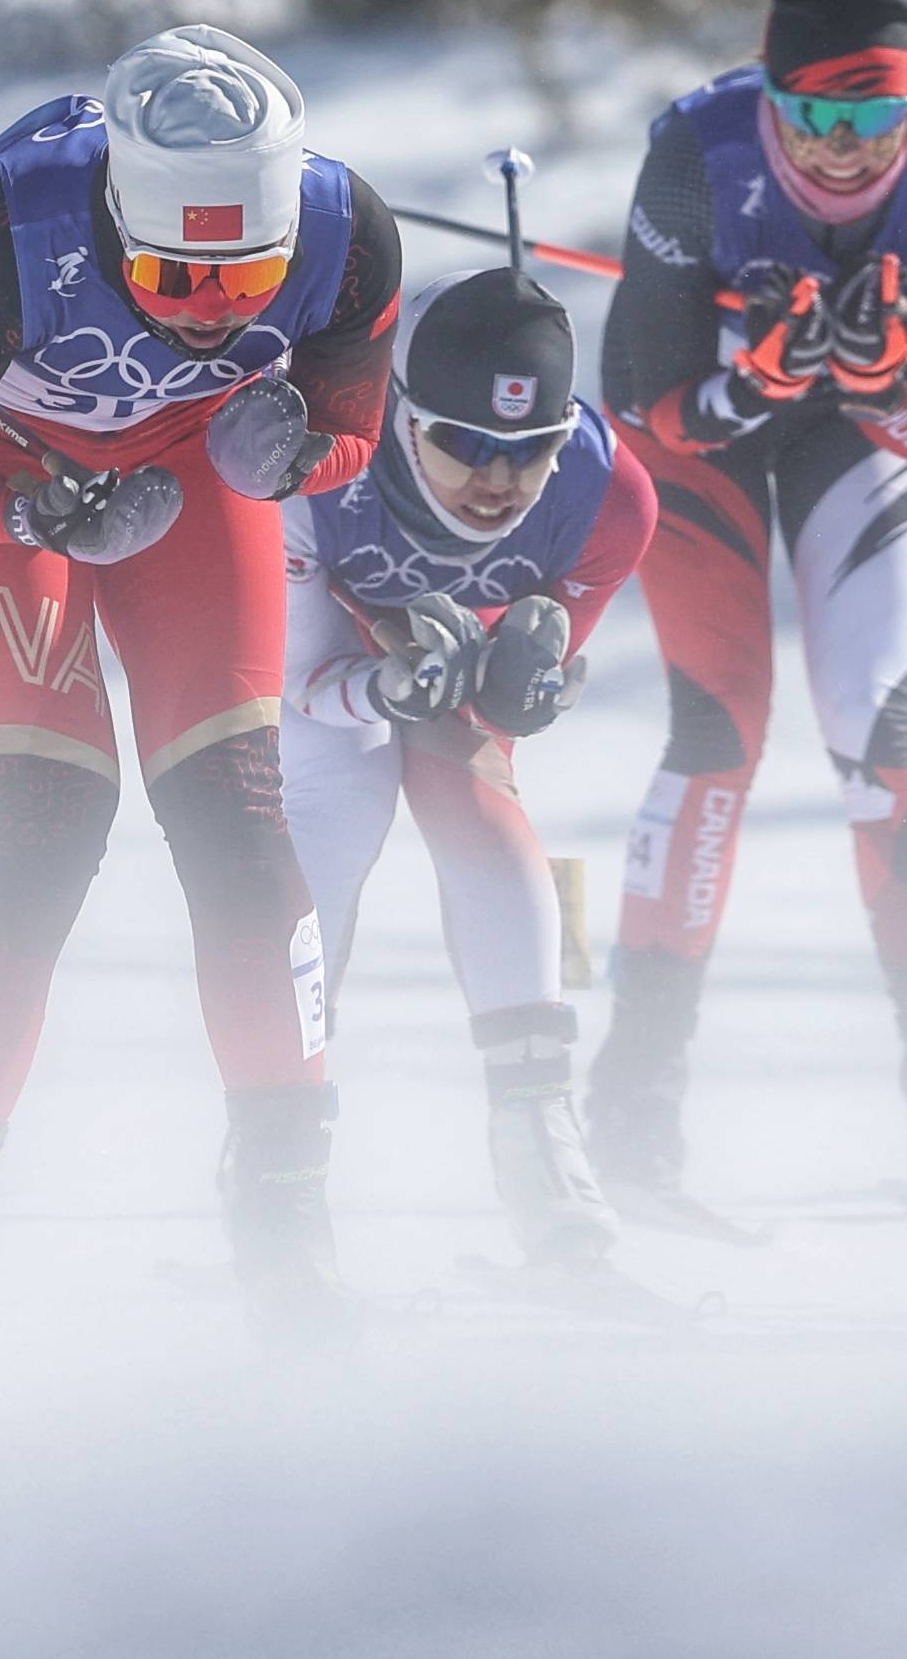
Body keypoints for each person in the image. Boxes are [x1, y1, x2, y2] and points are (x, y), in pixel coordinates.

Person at [0, 24, 403, 1333]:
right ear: (111, 216)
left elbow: (351, 429)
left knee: (235, 816)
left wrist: (295, 453)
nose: (207, 311)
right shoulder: (10, 221)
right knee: (49, 827)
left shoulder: (346, 233)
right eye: (168, 272)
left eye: (242, 279)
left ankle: (285, 1206)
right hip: (0, 475)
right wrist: (39, 517)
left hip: (194, 477)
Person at [582, 0, 907, 1226]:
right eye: (818, 117)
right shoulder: (698, 154)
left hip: (858, 437)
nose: (845, 150)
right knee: (718, 730)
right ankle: (638, 1094)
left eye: (875, 116)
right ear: (771, 95)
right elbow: (639, 391)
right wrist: (754, 381)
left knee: (876, 735)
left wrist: (885, 375)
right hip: (704, 436)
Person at [280, 264, 656, 1275]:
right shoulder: (321, 459)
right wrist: (385, 686)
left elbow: (508, 698)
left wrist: (524, 684)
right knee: (338, 799)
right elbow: (297, 679)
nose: (498, 477)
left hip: (438, 650)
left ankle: (537, 1126)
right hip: (331, 663)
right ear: (399, 417)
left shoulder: (607, 495)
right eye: (463, 442)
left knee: (470, 790)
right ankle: (277, 1147)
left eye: (531, 448)